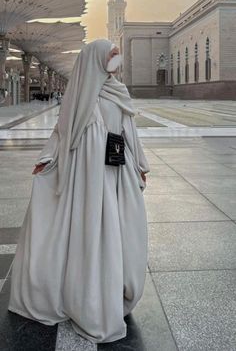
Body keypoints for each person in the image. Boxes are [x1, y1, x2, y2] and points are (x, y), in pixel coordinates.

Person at [8, 39, 150, 344]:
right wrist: (48, 158)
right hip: (83, 173)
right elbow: (62, 131)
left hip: (113, 169)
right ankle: (79, 289)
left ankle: (106, 288)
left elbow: (129, 131)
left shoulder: (118, 91)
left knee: (110, 224)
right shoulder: (80, 92)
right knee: (86, 224)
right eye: (110, 55)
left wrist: (139, 163)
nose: (115, 60)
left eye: (116, 55)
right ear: (97, 58)